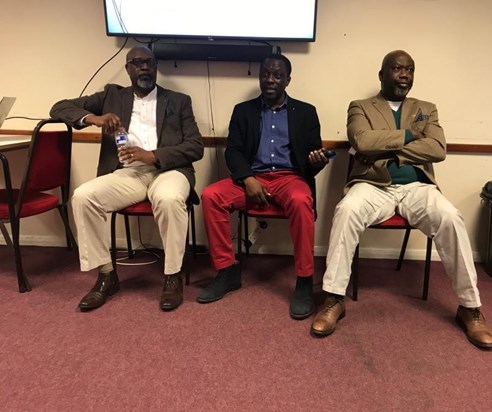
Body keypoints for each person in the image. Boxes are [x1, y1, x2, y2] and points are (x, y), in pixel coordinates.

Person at [311, 50, 492, 350]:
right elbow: (362, 141)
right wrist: (410, 135)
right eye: (397, 68)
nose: (404, 74)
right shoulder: (360, 106)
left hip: (417, 187)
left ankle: (470, 307)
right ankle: (333, 299)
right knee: (346, 210)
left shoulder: (426, 109)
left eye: (409, 69)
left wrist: (391, 149)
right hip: (373, 184)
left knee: (451, 217)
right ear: (382, 74)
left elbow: (437, 149)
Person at [50, 46, 204, 312]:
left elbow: (195, 147)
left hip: (169, 171)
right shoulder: (112, 95)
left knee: (168, 199)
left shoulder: (178, 100)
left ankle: (172, 276)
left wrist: (152, 155)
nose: (144, 66)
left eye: (150, 62)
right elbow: (59, 108)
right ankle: (107, 276)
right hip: (127, 174)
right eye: (138, 62)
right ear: (128, 68)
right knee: (84, 197)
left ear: (156, 67)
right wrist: (93, 119)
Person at [197, 54, 328, 319]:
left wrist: (317, 161)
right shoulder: (243, 110)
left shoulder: (306, 112)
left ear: (287, 80)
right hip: (251, 177)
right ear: (259, 76)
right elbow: (233, 151)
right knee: (211, 196)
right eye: (266, 74)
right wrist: (247, 179)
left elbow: (311, 160)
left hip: (289, 178)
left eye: (277, 75)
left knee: (302, 202)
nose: (270, 80)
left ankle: (304, 280)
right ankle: (226, 271)